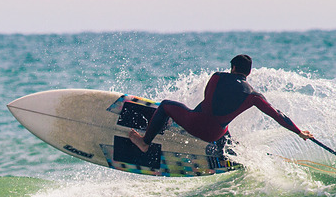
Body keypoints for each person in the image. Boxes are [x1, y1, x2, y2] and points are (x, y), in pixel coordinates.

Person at [129, 54, 314, 153]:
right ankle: (230, 152)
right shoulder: (255, 96)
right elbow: (277, 115)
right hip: (214, 135)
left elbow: (206, 101)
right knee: (224, 126)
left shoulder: (217, 77)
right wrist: (299, 132)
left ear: (233, 68)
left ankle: (145, 141)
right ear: (248, 73)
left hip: (195, 124)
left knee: (166, 105)